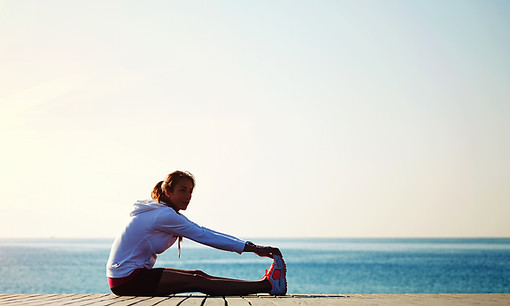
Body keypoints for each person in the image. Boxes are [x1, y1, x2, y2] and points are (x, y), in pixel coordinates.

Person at [106, 170, 287, 296]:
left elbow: (204, 232)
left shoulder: (160, 212)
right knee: (197, 281)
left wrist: (249, 246)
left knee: (198, 275)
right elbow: (204, 235)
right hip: (127, 279)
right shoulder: (163, 215)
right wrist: (250, 248)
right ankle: (267, 285)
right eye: (182, 190)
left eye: (191, 191)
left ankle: (267, 284)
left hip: (127, 277)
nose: (188, 196)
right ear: (168, 192)